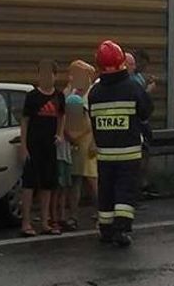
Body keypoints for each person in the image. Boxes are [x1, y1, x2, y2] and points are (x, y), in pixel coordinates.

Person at [90, 40, 152, 247]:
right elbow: (146, 111)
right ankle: (122, 230)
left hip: (104, 154)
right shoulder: (132, 87)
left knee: (106, 191)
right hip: (129, 153)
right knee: (125, 192)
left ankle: (105, 229)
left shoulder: (94, 92)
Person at [19, 59, 65, 237]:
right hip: (33, 146)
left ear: (55, 76)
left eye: (49, 74)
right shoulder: (32, 97)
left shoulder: (59, 97)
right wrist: (23, 146)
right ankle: (26, 222)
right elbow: (25, 121)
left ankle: (45, 222)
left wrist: (60, 134)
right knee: (29, 185)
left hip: (49, 147)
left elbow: (62, 116)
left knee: (48, 184)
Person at [64, 59, 98, 228]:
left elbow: (96, 120)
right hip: (73, 139)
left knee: (92, 179)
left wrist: (94, 143)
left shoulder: (93, 93)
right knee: (75, 179)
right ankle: (73, 216)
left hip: (89, 138)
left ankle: (102, 210)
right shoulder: (71, 93)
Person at [126, 50, 159, 199]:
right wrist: (149, 91)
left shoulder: (138, 77)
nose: (142, 68)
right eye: (140, 64)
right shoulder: (129, 81)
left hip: (144, 123)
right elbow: (137, 100)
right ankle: (136, 190)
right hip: (136, 124)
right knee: (137, 159)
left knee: (145, 155)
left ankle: (143, 185)